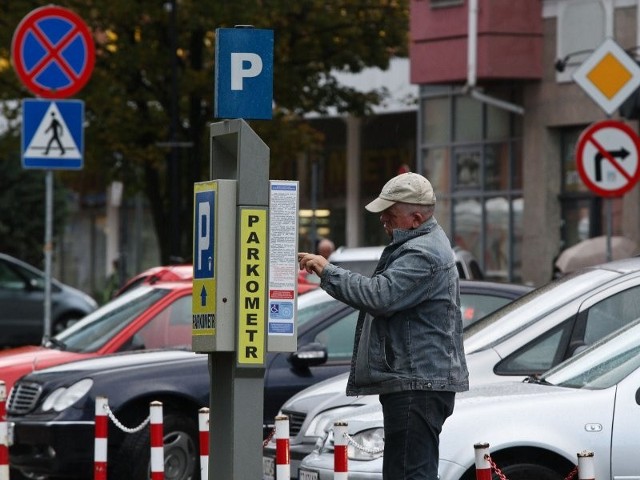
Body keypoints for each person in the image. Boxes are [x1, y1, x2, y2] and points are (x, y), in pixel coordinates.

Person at [298, 172, 468, 480]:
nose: (384, 221)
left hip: (417, 383)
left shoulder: (423, 252)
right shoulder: (421, 243)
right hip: (418, 381)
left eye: (390, 215)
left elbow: (379, 295)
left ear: (416, 218)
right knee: (409, 471)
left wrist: (327, 271)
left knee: (406, 474)